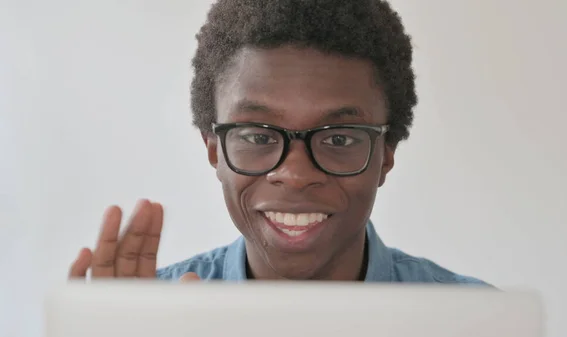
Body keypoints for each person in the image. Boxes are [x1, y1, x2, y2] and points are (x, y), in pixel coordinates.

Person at [69, 0, 488, 285]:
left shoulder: (479, 322)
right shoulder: (143, 321)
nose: (295, 174)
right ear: (214, 150)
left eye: (339, 138)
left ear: (387, 155)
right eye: (256, 135)